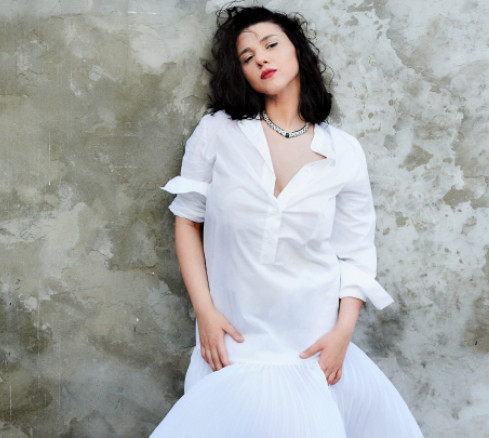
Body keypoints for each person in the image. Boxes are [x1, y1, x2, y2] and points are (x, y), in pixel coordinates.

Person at [153, 6, 423, 437]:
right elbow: (187, 220)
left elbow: (356, 253)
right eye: (246, 57)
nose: (260, 58)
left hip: (312, 347)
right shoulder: (218, 132)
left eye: (271, 44)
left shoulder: (343, 150)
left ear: (297, 51)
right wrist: (205, 312)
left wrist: (342, 334)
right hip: (232, 342)